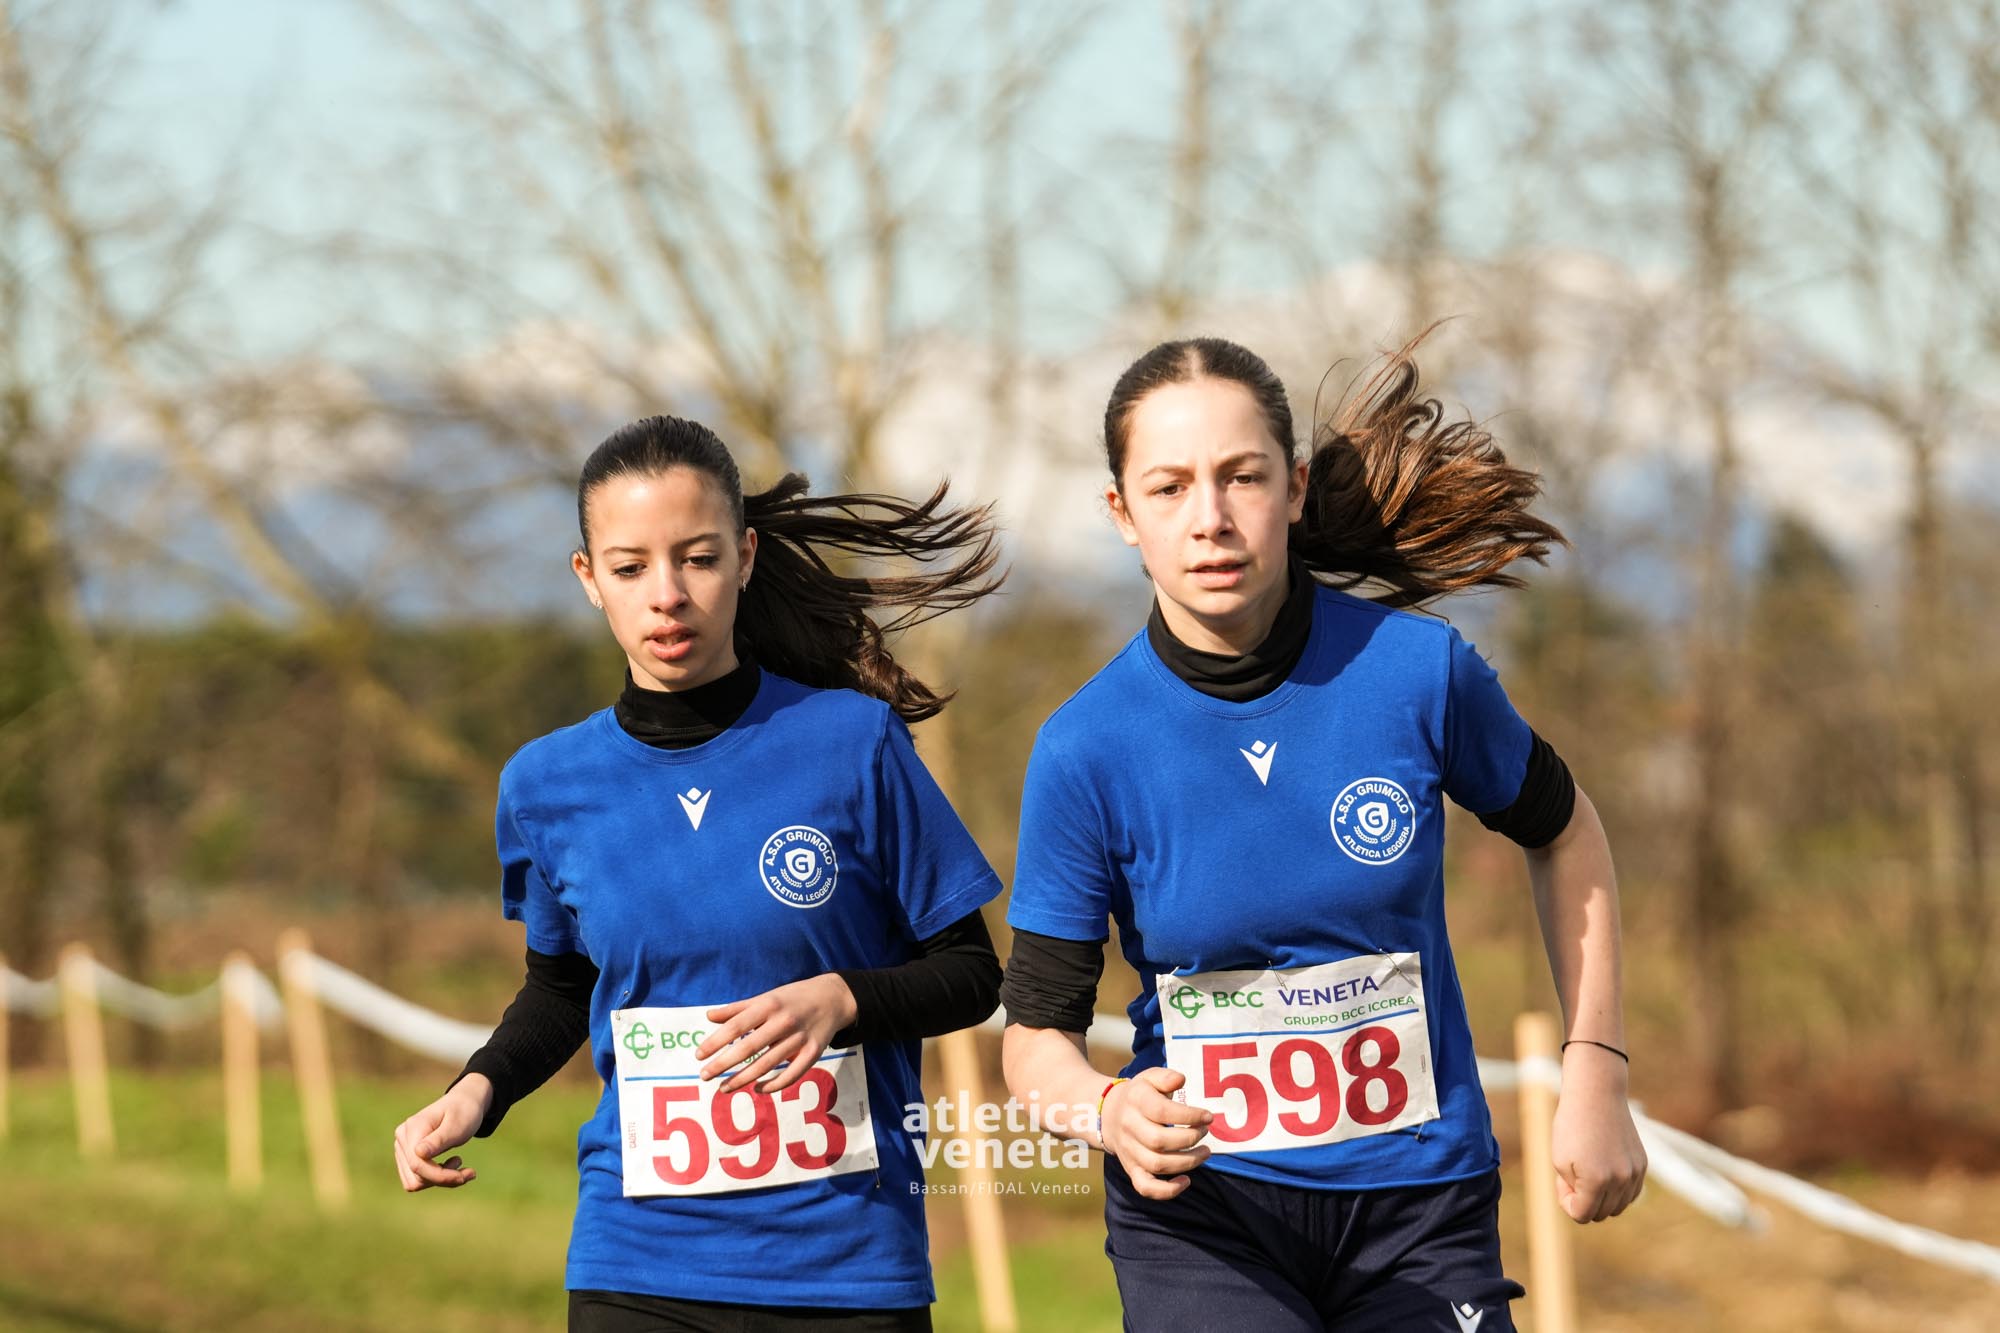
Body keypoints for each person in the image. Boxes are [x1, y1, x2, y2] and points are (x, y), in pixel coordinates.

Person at [998, 335, 1646, 1332]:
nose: (1210, 517)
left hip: (1420, 1209)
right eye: (1169, 487)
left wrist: (1595, 1067)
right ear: (1122, 513)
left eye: (1241, 476)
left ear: (1293, 487)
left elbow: (1566, 835)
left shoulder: (1418, 673)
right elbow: (1036, 1040)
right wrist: (1105, 1110)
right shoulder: (1085, 747)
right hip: (1204, 1215)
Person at [391, 416, 1008, 1333]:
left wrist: (842, 999)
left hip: (844, 1270)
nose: (667, 595)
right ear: (588, 577)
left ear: (745, 557)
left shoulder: (855, 742)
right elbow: (562, 989)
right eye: (630, 567)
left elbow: (972, 973)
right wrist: (475, 1091)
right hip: (636, 1261)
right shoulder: (544, 785)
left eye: (699, 558)